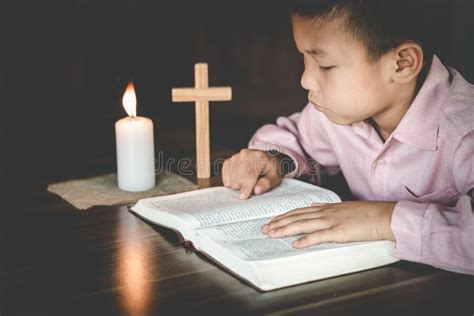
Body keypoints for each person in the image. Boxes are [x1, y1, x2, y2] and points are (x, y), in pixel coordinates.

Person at [221, 0, 473, 274]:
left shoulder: (463, 130)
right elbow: (293, 137)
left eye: (325, 65)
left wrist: (383, 219)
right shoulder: (339, 113)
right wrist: (272, 159)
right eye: (304, 58)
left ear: (402, 64)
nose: (305, 80)